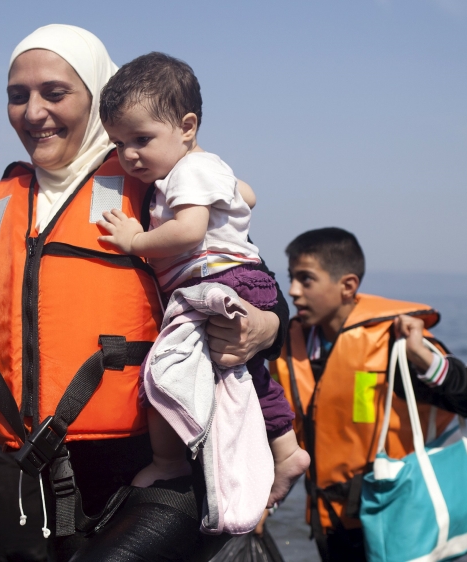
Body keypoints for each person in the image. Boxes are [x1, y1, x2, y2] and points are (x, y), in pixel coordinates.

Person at [0, 24, 301, 561]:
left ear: (97, 94)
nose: (34, 111)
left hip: (165, 472)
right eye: (18, 96)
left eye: (55, 93)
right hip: (58, 485)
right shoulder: (9, 202)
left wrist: (264, 327)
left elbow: (251, 279)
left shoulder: (151, 180)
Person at [95, 51, 306, 492]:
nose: (128, 155)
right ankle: (287, 451)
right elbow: (247, 195)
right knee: (246, 373)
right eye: (117, 143)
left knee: (162, 371)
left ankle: (168, 462)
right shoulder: (203, 168)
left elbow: (189, 233)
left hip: (218, 281)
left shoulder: (189, 171)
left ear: (187, 127)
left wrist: (136, 241)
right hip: (244, 280)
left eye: (141, 139)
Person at [272, 227, 467, 561]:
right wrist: (263, 504)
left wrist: (423, 358)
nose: (293, 292)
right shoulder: (289, 349)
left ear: (347, 286)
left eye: (306, 280)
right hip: (329, 523)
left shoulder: (394, 343)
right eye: (291, 278)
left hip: (397, 518)